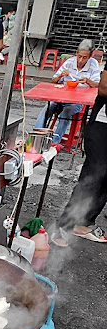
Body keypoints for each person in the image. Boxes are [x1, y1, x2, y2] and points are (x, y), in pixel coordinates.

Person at [51, 70, 107, 246]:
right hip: (103, 126)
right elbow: (104, 88)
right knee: (94, 174)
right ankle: (65, 224)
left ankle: (84, 223)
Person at [34, 39, 101, 143]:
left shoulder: (94, 64)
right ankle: (36, 137)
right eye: (79, 56)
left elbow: (97, 84)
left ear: (90, 56)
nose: (80, 60)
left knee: (66, 113)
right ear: (76, 53)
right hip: (61, 97)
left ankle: (54, 142)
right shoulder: (69, 62)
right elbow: (53, 80)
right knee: (47, 108)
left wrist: (88, 81)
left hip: (78, 101)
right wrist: (61, 75)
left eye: (84, 58)